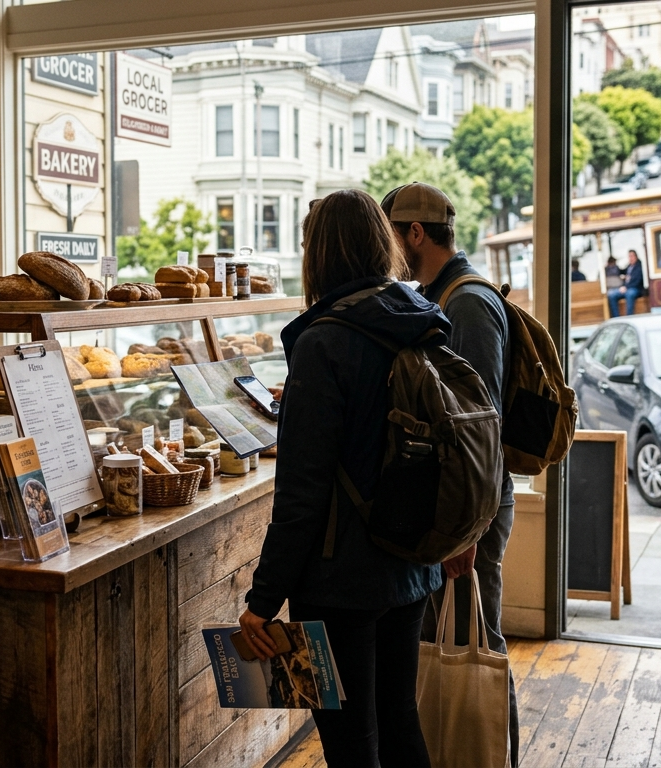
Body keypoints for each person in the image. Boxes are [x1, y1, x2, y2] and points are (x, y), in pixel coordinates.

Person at [239, 188, 444, 768]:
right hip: (410, 559)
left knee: (351, 744)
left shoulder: (323, 340)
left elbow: (302, 494)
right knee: (400, 721)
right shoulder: (419, 317)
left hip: (341, 581)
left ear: (319, 253)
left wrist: (262, 600)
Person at [380, 182, 519, 767]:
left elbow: (476, 433)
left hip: (473, 510)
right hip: (463, 507)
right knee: (455, 642)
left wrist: (463, 535)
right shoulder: (442, 295)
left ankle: (494, 756)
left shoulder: (466, 304)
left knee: (478, 644)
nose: (388, 253)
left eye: (392, 238)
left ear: (416, 234)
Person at [608, 250, 646, 317]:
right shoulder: (629, 267)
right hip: (626, 287)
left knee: (629, 294)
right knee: (611, 294)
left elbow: (638, 281)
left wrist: (626, 287)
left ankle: (629, 316)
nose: (630, 258)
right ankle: (616, 317)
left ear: (636, 257)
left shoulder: (639, 267)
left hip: (635, 288)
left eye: (632, 256)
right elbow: (622, 272)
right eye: (629, 256)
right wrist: (612, 265)